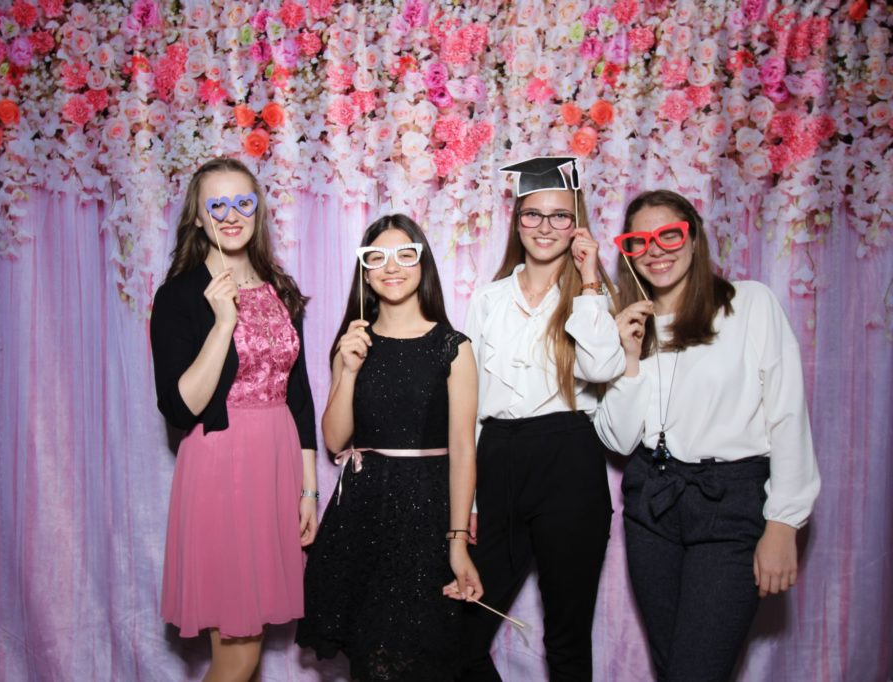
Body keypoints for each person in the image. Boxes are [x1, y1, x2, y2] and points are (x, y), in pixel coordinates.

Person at [595, 189, 821, 681]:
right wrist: (629, 357)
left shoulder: (749, 304)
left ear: (694, 238)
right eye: (638, 241)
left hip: (731, 504)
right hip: (652, 504)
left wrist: (783, 523)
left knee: (697, 670)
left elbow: (787, 413)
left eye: (669, 235)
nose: (655, 250)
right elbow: (618, 440)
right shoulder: (627, 324)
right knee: (674, 667)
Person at [149, 157, 318, 682]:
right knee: (239, 652)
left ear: (258, 210)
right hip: (223, 468)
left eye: (242, 202)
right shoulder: (179, 294)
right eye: (216, 205)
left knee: (250, 644)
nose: (231, 215)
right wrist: (223, 323)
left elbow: (299, 395)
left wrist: (308, 491)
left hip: (276, 466)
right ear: (199, 218)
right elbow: (179, 407)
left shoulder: (279, 286)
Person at [458, 157, 626, 682]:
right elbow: (469, 403)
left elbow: (602, 368)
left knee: (566, 639)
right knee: (460, 634)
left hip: (569, 458)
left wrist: (590, 279)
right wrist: (471, 501)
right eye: (533, 215)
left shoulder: (593, 297)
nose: (545, 227)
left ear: (577, 225)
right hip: (498, 457)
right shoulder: (488, 299)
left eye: (560, 216)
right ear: (517, 221)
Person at [296, 214, 484, 681]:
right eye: (376, 257)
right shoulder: (353, 343)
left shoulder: (453, 347)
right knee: (371, 656)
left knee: (428, 652)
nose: (391, 266)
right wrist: (349, 369)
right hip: (364, 511)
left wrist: (457, 541)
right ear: (365, 271)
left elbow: (463, 450)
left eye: (405, 254)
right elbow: (335, 440)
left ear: (423, 264)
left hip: (427, 512)